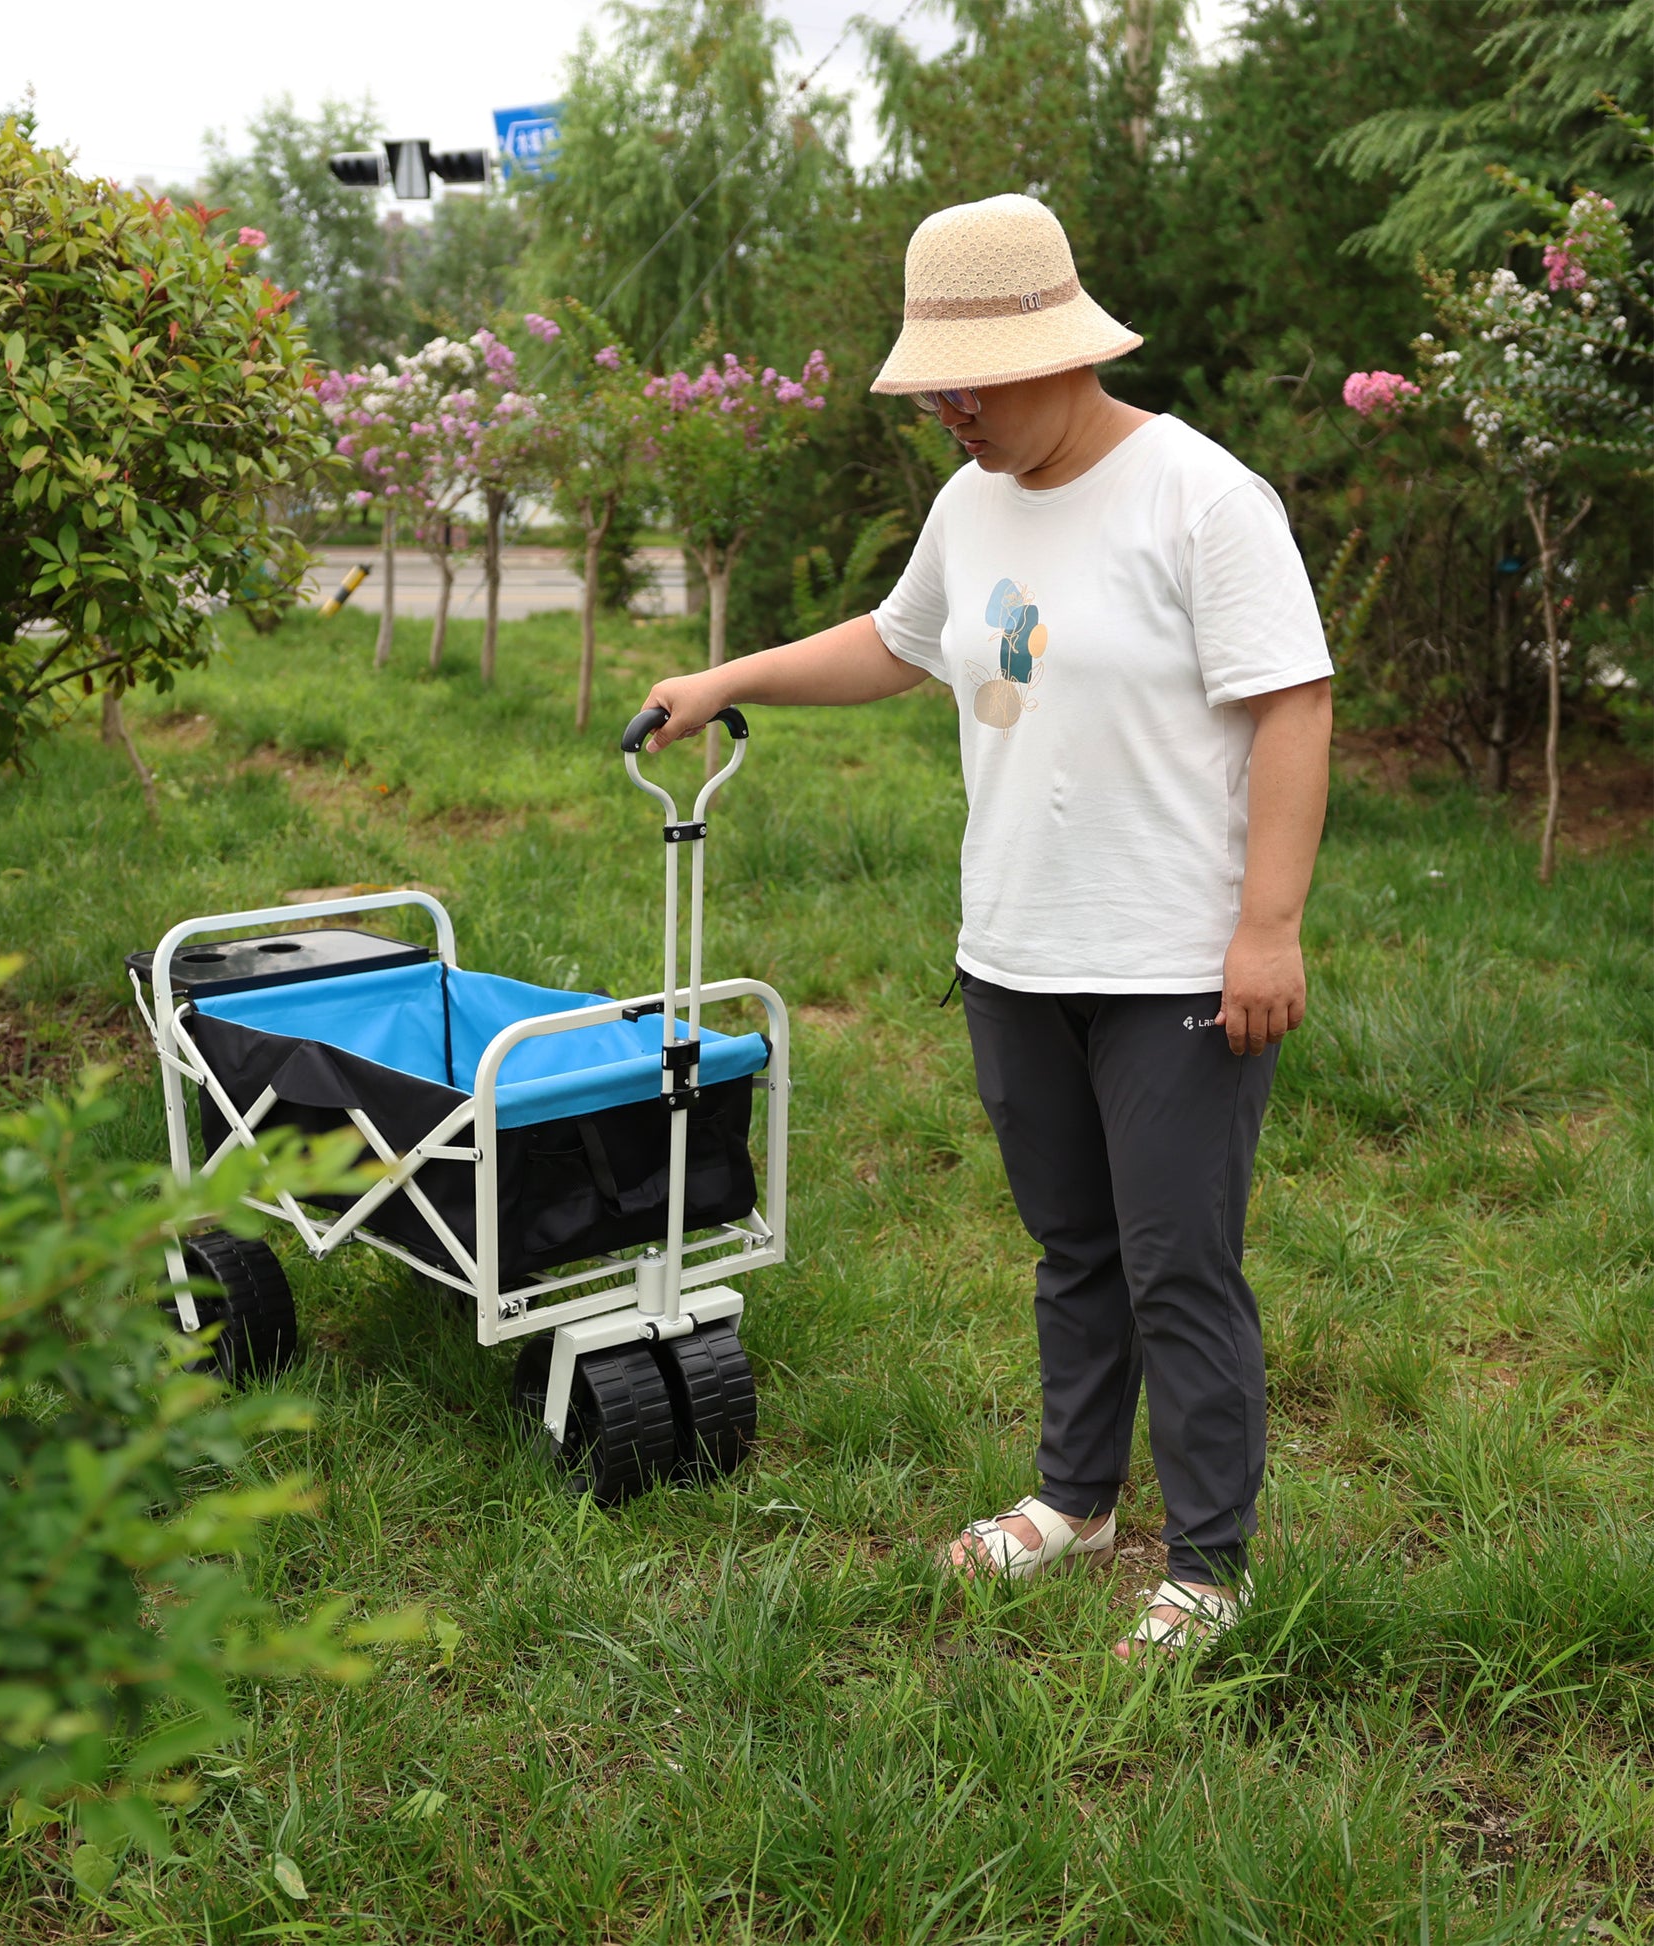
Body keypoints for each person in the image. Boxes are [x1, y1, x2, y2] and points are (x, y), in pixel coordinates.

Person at [639, 193, 1334, 1659]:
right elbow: (898, 643)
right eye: (932, 387)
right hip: (1011, 949)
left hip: (1171, 965)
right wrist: (725, 678)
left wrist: (1266, 925)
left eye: (971, 382)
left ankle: (1207, 1564)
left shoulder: (1202, 498)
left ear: (1060, 349)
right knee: (1071, 1246)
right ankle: (1075, 1501)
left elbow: (1292, 702)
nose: (948, 410)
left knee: (1176, 1263)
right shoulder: (969, 504)